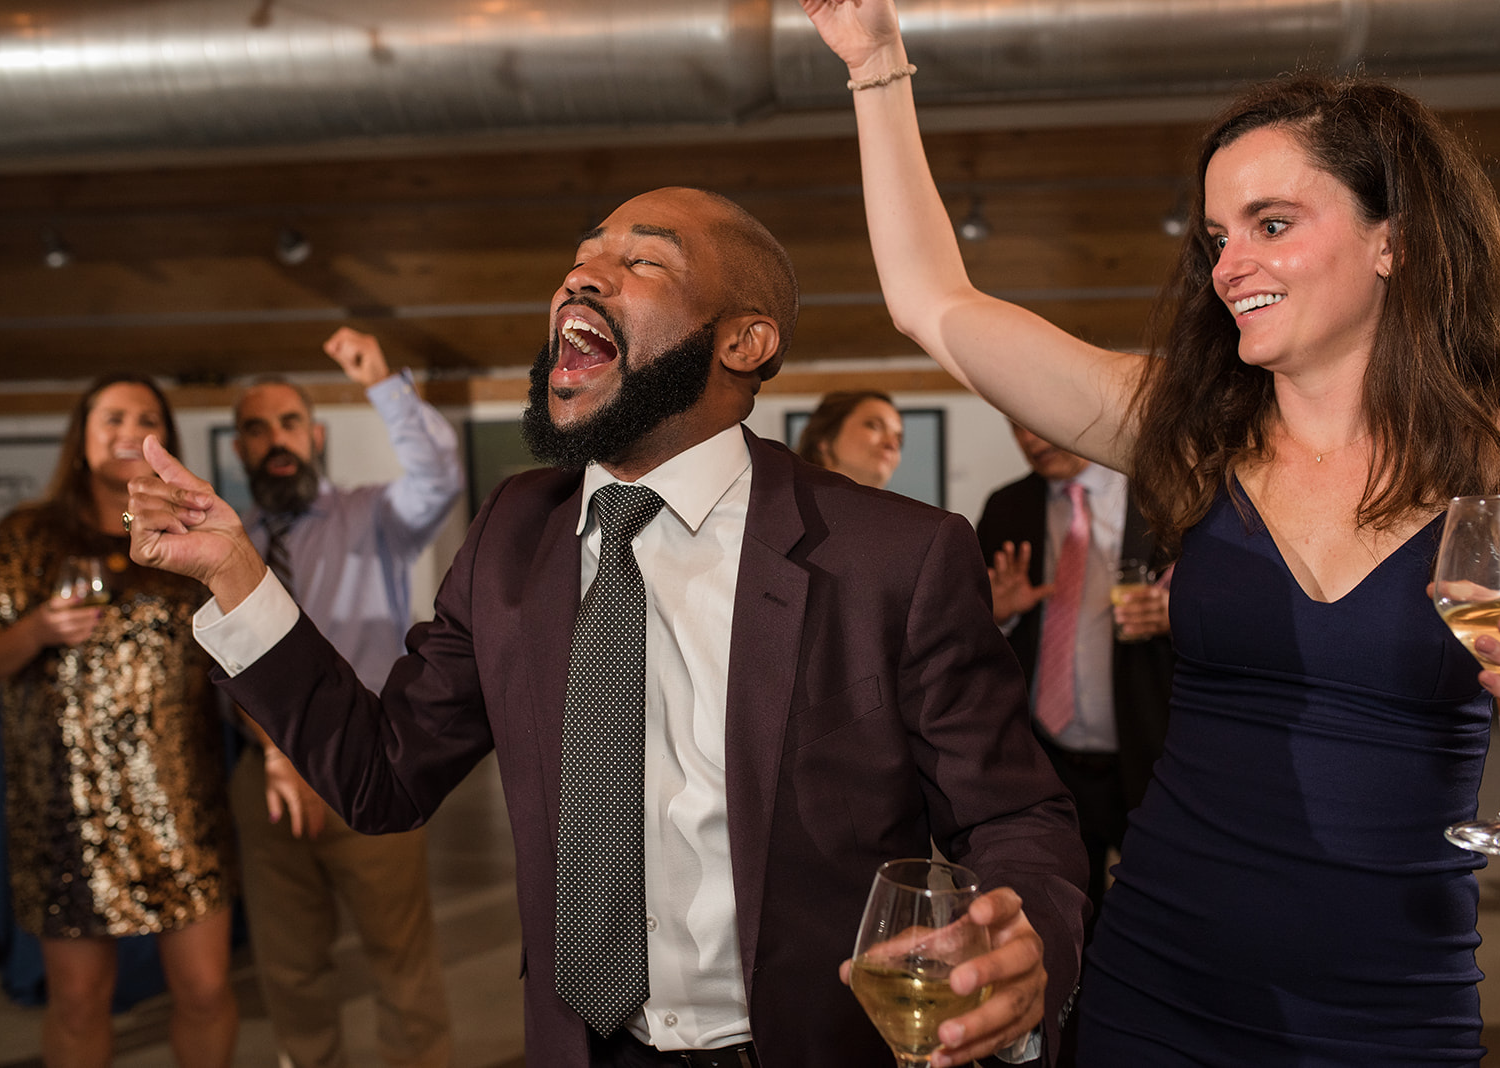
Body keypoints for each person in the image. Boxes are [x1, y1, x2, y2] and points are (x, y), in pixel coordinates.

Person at [124, 185, 1090, 1068]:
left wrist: (1025, 940)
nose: (582, 274)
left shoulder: (894, 556)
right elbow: (381, 774)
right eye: (585, 256)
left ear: (744, 343)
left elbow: (1013, 817)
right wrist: (236, 575)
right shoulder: (511, 535)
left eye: (646, 260)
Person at [803, 1, 1500, 1063]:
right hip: (1157, 981)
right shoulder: (1188, 433)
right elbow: (930, 301)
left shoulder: (1491, 468)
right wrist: (876, 62)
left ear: (1392, 239)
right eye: (1217, 237)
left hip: (1391, 1004)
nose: (1227, 265)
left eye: (1272, 224)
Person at [227, 327, 461, 1068]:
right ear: (237, 447)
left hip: (369, 771)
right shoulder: (232, 544)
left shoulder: (374, 518)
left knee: (402, 967)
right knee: (291, 973)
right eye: (255, 429)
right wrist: (271, 755)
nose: (275, 441)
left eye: (288, 422)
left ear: (315, 433)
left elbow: (438, 477)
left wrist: (383, 385)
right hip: (263, 778)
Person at [0, 374, 238, 1067]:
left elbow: (242, 657)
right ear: (82, 435)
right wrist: (39, 630)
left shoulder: (194, 539)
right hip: (64, 810)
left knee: (204, 989)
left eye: (147, 417)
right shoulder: (24, 536)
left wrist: (282, 753)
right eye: (113, 416)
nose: (130, 428)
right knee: (76, 1000)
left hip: (182, 802)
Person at [976, 421, 1173, 937]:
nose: (1033, 440)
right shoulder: (1007, 506)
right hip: (1046, 763)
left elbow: (1234, 606)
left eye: (1039, 422)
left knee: (1155, 921)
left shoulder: (1169, 494)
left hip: (1153, 756)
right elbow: (966, 630)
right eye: (1016, 427)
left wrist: (1178, 613)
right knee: (1053, 924)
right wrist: (996, 614)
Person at [794, 389, 904, 488]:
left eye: (898, 438)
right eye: (875, 426)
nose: (892, 444)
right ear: (825, 439)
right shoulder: (783, 505)